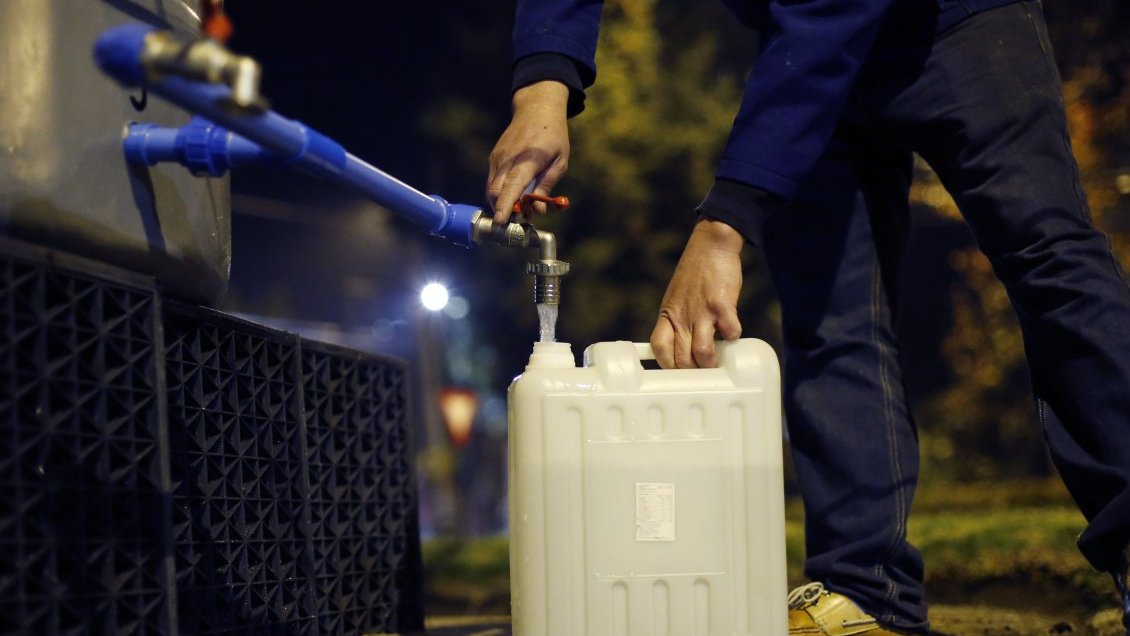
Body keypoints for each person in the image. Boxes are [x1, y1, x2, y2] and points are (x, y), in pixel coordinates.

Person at [485, 0, 1130, 632]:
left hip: (956, 21)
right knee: (830, 314)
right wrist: (542, 89)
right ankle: (865, 592)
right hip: (799, 45)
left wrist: (723, 229)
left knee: (1048, 260)